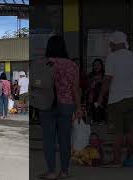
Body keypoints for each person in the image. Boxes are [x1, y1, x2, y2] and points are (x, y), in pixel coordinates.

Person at [38, 35, 81, 179]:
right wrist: (79, 107)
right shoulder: (72, 65)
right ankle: (64, 172)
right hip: (67, 105)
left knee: (49, 139)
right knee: (65, 139)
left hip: (47, 105)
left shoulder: (44, 63)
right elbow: (75, 89)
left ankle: (51, 172)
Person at [96, 31, 133, 167]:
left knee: (118, 133)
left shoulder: (112, 57)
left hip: (116, 100)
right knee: (130, 131)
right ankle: (130, 159)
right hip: (132, 99)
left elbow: (107, 79)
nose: (110, 45)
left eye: (111, 43)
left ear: (115, 42)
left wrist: (100, 97)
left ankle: (116, 160)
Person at [86, 58, 106, 125]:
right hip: (92, 96)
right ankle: (94, 119)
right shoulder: (90, 75)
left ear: (101, 65)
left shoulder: (105, 75)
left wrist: (100, 81)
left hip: (103, 96)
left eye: (98, 64)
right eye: (94, 65)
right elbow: (88, 87)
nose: (96, 66)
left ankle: (101, 119)